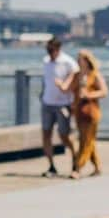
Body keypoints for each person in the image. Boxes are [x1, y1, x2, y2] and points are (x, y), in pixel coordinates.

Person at [40, 37, 79, 177]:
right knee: (46, 134)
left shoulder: (68, 62)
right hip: (47, 102)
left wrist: (65, 86)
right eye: (48, 50)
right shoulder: (45, 61)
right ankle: (51, 167)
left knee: (64, 136)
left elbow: (76, 78)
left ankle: (76, 164)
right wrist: (42, 94)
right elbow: (45, 81)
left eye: (52, 50)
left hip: (63, 104)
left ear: (58, 49)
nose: (50, 53)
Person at [69, 49, 108, 179]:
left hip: (92, 111)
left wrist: (89, 94)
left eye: (81, 58)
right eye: (78, 58)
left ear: (87, 60)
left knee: (86, 140)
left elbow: (104, 92)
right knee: (87, 140)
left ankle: (78, 168)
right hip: (79, 112)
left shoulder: (94, 75)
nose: (79, 60)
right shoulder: (77, 75)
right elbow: (69, 89)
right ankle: (97, 167)